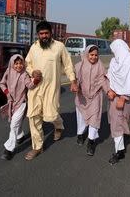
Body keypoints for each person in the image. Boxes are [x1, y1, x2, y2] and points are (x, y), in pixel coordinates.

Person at [24, 20, 78, 160]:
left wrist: (72, 81)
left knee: (51, 116)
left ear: (51, 33)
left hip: (51, 89)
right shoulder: (34, 47)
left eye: (46, 33)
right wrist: (32, 71)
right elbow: (27, 63)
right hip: (35, 88)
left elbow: (67, 65)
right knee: (33, 116)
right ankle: (37, 147)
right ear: (38, 35)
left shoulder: (59, 47)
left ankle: (59, 126)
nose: (44, 36)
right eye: (41, 34)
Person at [106, 39, 130, 165]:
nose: (114, 53)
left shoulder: (128, 62)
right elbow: (110, 77)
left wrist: (123, 97)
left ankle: (119, 151)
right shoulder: (113, 62)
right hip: (114, 96)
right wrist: (110, 90)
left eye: (115, 50)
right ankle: (119, 149)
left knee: (118, 121)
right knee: (117, 121)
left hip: (126, 98)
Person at [0, 54, 39, 160]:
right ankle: (20, 136)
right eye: (16, 63)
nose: (18, 66)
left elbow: (30, 86)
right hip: (11, 103)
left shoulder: (24, 75)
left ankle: (9, 149)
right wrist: (7, 93)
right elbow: (2, 84)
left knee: (13, 125)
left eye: (20, 63)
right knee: (16, 122)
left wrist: (35, 80)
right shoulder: (8, 72)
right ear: (12, 64)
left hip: (21, 103)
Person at [74, 44, 110, 156]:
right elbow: (74, 79)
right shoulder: (78, 66)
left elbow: (103, 81)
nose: (94, 57)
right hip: (82, 97)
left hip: (95, 96)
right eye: (91, 54)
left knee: (95, 119)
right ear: (87, 54)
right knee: (81, 118)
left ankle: (91, 141)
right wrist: (74, 84)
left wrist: (108, 91)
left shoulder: (100, 67)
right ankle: (80, 134)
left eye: (96, 55)